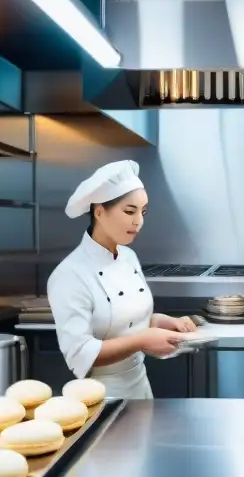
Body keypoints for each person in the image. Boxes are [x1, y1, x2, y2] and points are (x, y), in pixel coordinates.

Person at [48, 160, 196, 398]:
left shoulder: (128, 256)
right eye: (129, 211)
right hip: (100, 396)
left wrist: (161, 322)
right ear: (99, 212)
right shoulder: (69, 275)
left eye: (143, 211)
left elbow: (125, 321)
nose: (139, 221)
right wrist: (142, 340)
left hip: (140, 386)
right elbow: (80, 354)